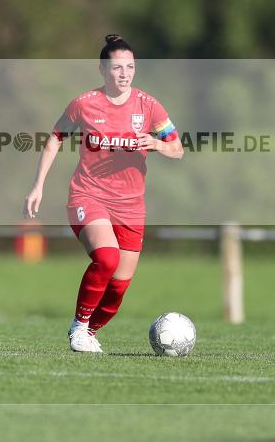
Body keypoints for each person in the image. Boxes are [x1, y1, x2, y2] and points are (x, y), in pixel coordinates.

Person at [24, 34, 183, 352]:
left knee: (118, 288)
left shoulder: (149, 106)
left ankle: (89, 331)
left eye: (130, 67)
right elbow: (55, 138)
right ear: (102, 69)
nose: (124, 74)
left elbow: (177, 148)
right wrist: (38, 185)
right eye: (117, 67)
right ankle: (79, 327)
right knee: (107, 258)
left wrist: (156, 144)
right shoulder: (84, 104)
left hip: (131, 206)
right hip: (88, 195)